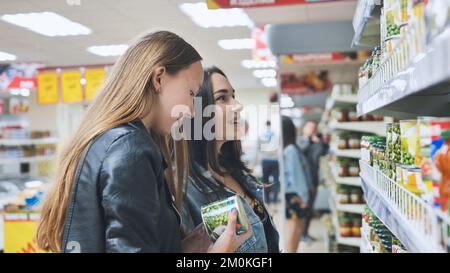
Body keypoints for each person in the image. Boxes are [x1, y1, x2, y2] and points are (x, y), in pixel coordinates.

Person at [35, 31, 249, 253]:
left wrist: (185, 247)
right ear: (159, 79)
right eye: (191, 93)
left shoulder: (113, 142)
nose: (193, 112)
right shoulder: (131, 150)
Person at [181, 67, 279, 253]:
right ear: (197, 111)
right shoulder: (186, 190)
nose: (238, 105)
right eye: (222, 98)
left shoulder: (236, 172)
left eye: (233, 96)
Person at [282, 116, 311, 253]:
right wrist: (304, 197)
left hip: (290, 194)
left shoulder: (287, 148)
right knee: (295, 229)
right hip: (296, 195)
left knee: (293, 228)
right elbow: (297, 176)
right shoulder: (291, 150)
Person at [297, 120, 329, 243]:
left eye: (314, 127)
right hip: (303, 181)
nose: (312, 129)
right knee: (304, 208)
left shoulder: (315, 142)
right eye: (309, 126)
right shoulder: (301, 141)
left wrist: (321, 142)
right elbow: (302, 150)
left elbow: (322, 152)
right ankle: (301, 234)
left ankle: (305, 233)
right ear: (304, 128)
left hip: (313, 180)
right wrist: (311, 140)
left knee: (309, 209)